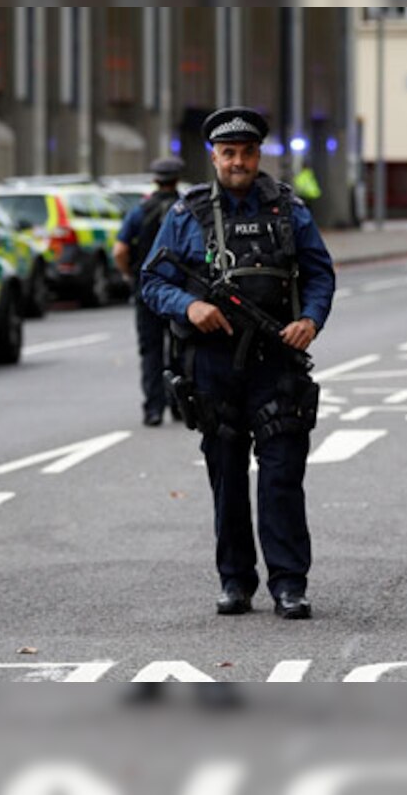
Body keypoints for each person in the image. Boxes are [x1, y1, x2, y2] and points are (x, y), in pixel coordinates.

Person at [141, 106, 335, 620]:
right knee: (226, 478)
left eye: (247, 152)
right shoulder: (187, 214)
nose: (239, 161)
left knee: (281, 477)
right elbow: (152, 281)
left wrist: (311, 320)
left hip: (277, 362)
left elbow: (319, 273)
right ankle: (235, 581)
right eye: (229, 153)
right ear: (214, 157)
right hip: (213, 365)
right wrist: (190, 306)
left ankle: (290, 584)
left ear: (258, 155)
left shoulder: (288, 209)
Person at [114, 157, 186, 427]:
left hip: (147, 290)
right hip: (180, 292)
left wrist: (130, 274)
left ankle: (153, 409)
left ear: (155, 180)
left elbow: (120, 250)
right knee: (179, 349)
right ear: (177, 179)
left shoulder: (140, 211)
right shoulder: (187, 209)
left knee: (151, 351)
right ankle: (179, 405)